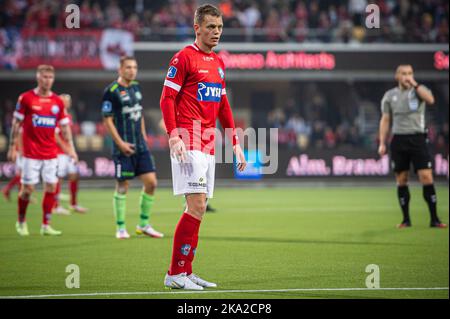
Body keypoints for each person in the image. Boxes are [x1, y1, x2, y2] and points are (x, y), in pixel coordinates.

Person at [160, 4, 246, 290]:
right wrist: (173, 135)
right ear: (197, 28)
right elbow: (166, 98)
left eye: (219, 27)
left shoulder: (219, 63)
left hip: (208, 144)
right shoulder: (183, 57)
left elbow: (223, 106)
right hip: (188, 139)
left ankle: (185, 271)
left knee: (199, 207)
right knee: (196, 206)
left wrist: (236, 142)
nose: (216, 32)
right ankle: (174, 273)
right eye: (211, 27)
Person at [7, 64, 78, 236]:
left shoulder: (57, 102)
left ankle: (45, 225)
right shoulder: (26, 98)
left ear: (53, 79)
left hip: (50, 153)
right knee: (27, 190)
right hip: (31, 153)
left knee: (51, 187)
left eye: (50, 77)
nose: (47, 80)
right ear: (38, 77)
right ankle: (21, 221)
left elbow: (65, 127)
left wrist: (71, 149)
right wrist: (12, 147)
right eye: (44, 77)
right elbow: (16, 124)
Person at [102, 56, 164, 240]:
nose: (132, 70)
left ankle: (144, 224)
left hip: (140, 145)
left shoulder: (136, 87)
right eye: (128, 67)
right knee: (123, 186)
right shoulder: (111, 91)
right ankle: (120, 228)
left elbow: (139, 114)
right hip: (123, 146)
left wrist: (144, 137)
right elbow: (107, 120)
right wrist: (120, 143)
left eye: (134, 67)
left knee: (152, 183)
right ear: (120, 69)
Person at [378, 64, 447, 229]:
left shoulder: (419, 90)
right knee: (401, 180)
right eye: (404, 73)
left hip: (417, 139)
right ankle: (406, 219)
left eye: (409, 73)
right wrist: (382, 142)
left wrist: (415, 84)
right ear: (397, 76)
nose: (407, 76)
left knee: (426, 177)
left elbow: (431, 100)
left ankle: (434, 219)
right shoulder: (389, 96)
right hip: (399, 140)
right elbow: (385, 119)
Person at [53, 94, 88, 215]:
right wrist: (65, 148)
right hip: (59, 152)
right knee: (59, 177)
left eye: (69, 100)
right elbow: (55, 135)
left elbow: (68, 136)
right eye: (65, 101)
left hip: (68, 152)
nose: (67, 102)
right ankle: (55, 206)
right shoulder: (57, 115)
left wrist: (72, 150)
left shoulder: (68, 115)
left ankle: (73, 204)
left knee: (74, 175)